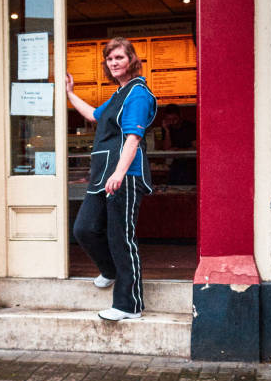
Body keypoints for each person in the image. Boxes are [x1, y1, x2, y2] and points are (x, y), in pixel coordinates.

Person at [66, 37, 157, 321]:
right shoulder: (119, 93)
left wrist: (119, 172)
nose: (114, 62)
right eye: (110, 59)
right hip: (101, 176)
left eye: (119, 57)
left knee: (121, 238)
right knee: (84, 229)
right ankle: (110, 270)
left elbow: (133, 137)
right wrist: (69, 94)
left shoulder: (138, 93)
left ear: (131, 60)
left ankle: (130, 305)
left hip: (125, 175)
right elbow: (94, 115)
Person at [160, 103, 196, 185]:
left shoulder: (190, 127)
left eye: (174, 119)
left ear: (180, 116)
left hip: (191, 164)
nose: (172, 122)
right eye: (169, 120)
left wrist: (179, 150)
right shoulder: (167, 128)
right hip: (176, 164)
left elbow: (197, 148)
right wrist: (167, 131)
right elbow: (166, 148)